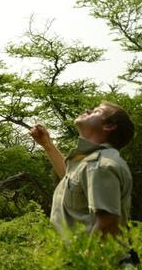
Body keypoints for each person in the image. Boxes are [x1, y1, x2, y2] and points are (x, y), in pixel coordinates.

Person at [29, 101, 134, 237]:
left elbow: (107, 226)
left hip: (91, 258)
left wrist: (82, 258)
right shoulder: (91, 161)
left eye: (96, 111)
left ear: (109, 126)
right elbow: (72, 180)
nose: (87, 110)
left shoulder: (101, 165)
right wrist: (47, 144)